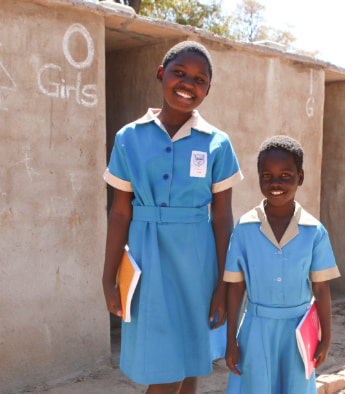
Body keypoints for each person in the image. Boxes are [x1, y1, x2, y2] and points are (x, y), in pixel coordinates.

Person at [102, 41, 243, 394]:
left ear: (208, 89)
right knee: (164, 362)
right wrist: (108, 275)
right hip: (147, 258)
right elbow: (120, 211)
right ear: (161, 74)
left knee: (192, 355)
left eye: (199, 79)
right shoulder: (129, 137)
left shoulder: (217, 143)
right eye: (179, 73)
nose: (188, 83)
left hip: (198, 261)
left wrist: (223, 285)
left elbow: (223, 218)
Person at [224, 135, 340, 393]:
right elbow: (235, 288)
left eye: (286, 175)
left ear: (301, 177)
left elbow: (321, 289)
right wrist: (230, 339)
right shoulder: (244, 229)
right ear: (259, 178)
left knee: (295, 386)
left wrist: (326, 337)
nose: (276, 183)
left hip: (298, 332)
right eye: (267, 176)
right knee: (255, 386)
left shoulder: (314, 231)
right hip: (255, 329)